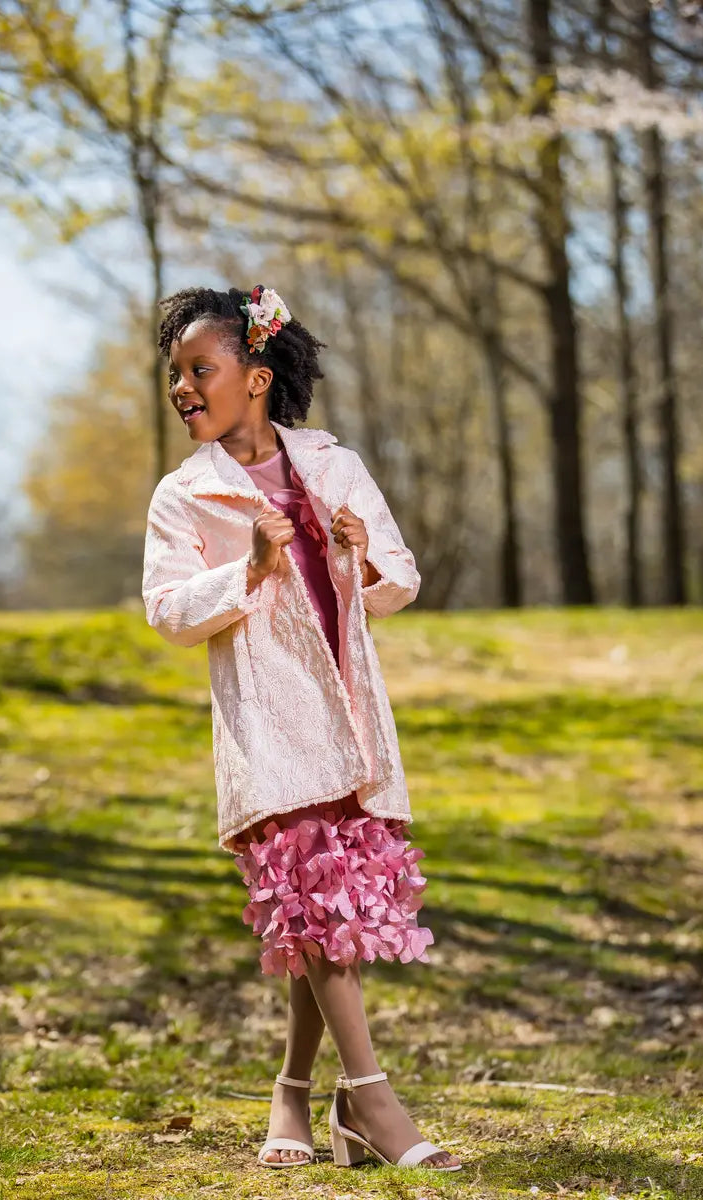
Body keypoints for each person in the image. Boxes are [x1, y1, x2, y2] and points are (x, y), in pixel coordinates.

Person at [142, 284, 462, 1172]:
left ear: (255, 375)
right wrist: (247, 568)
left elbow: (400, 579)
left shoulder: (334, 464)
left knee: (332, 922)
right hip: (272, 727)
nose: (183, 389)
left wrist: (357, 553)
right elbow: (167, 611)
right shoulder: (185, 498)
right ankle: (374, 1101)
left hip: (351, 722)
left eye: (199, 369)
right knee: (318, 909)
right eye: (175, 375)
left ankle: (294, 1093)